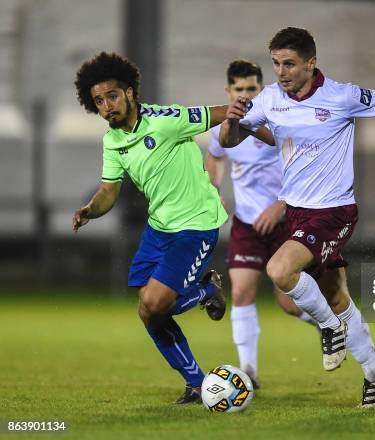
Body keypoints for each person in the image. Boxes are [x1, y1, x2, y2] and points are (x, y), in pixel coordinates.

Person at [220, 27, 375, 408]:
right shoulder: (269, 100)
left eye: (290, 64)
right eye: (277, 64)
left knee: (280, 271)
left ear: (312, 63)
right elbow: (231, 141)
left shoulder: (341, 96)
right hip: (297, 213)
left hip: (334, 211)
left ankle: (331, 330)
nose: (281, 72)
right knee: (336, 295)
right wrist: (232, 121)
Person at [72, 52, 260, 404]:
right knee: (147, 310)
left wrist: (243, 111)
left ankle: (206, 291)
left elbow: (218, 114)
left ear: (129, 92)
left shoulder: (165, 120)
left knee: (157, 302)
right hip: (159, 230)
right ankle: (196, 384)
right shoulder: (112, 141)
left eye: (112, 96)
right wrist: (90, 211)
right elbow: (108, 192)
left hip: (195, 226)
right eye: (98, 101)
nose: (106, 106)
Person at [205, 59, 315, 388]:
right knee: (241, 292)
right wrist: (213, 190)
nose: (244, 94)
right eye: (238, 89)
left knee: (289, 303)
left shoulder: (279, 122)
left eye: (251, 88)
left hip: (284, 223)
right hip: (246, 224)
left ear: (261, 89)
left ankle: (327, 324)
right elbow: (214, 155)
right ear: (228, 91)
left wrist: (280, 205)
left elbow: (305, 166)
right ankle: (249, 371)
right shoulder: (225, 127)